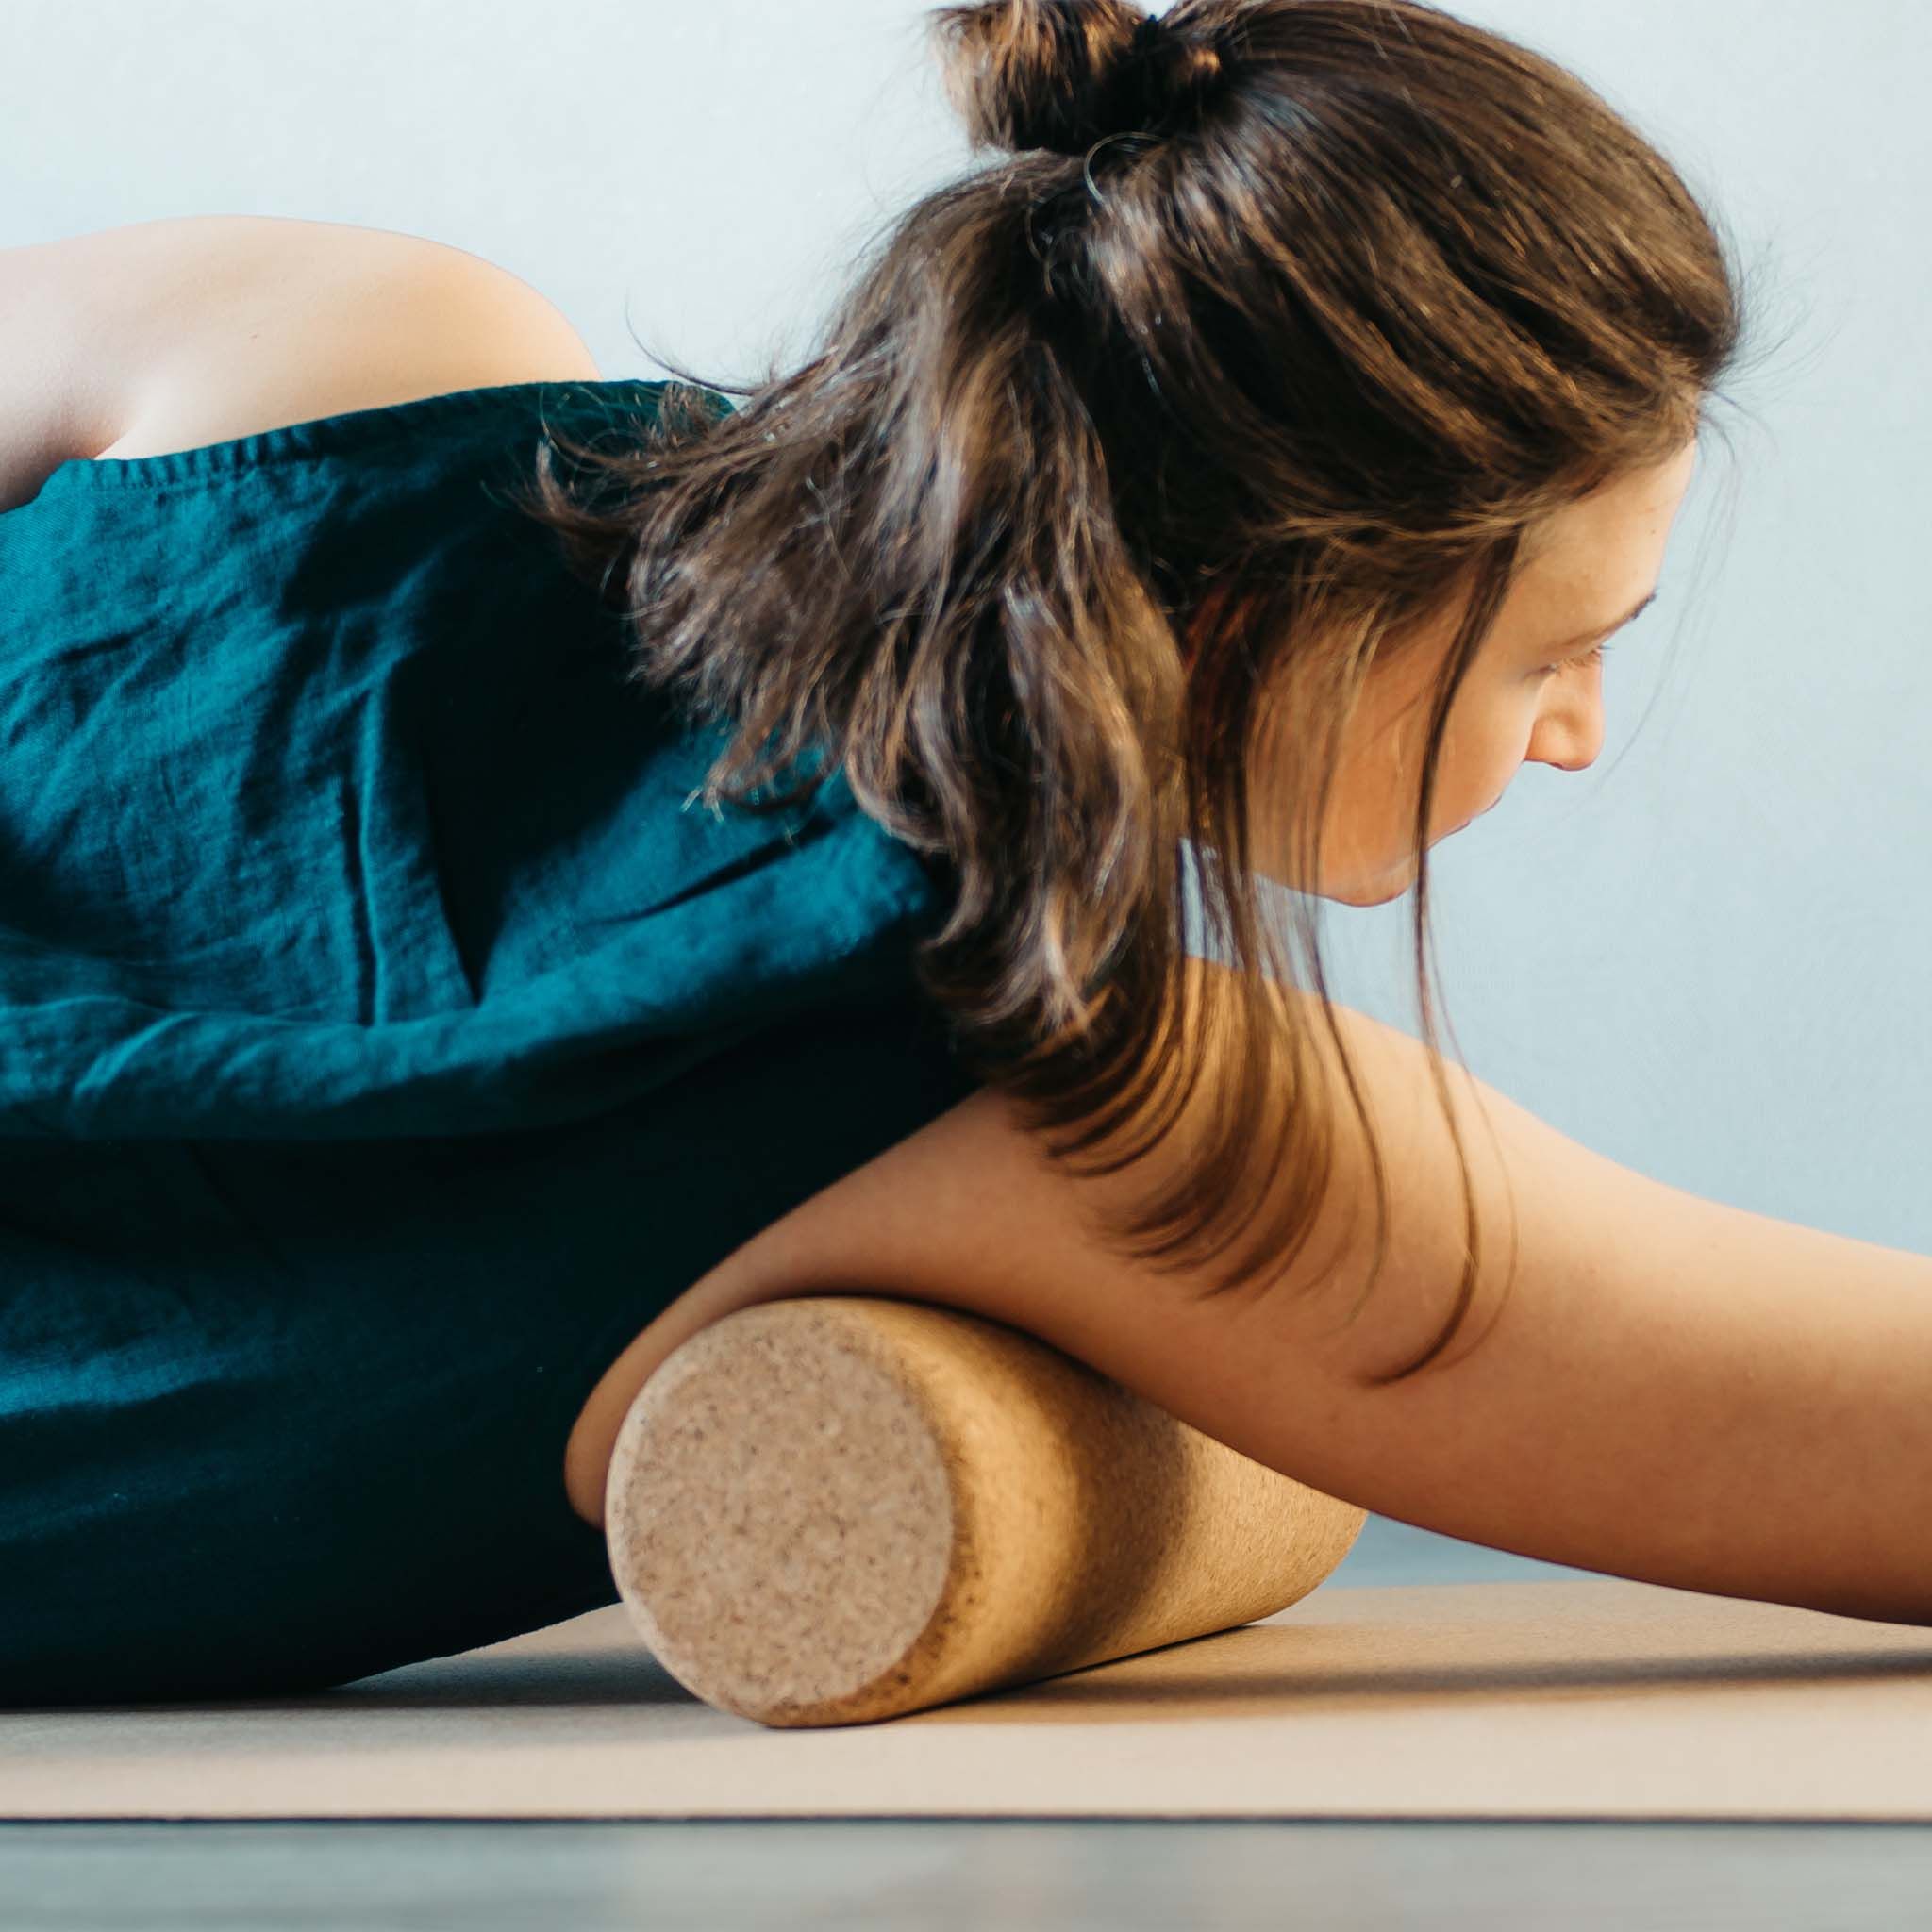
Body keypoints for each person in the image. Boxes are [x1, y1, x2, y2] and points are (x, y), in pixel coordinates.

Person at [4, 0, 1928, 1706]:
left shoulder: (354, 361)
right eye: (1555, 654)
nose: (1580, 733)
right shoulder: (1117, 1127)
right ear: (1262, 620)